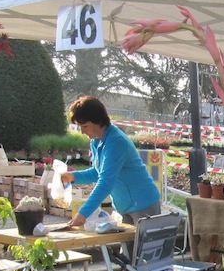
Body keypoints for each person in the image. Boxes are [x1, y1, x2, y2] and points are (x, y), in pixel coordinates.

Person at [60, 96, 161, 228]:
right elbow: (99, 172)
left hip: (143, 205)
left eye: (85, 126)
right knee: (126, 248)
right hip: (126, 207)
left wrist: (83, 213)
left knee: (143, 248)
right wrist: (73, 177)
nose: (82, 131)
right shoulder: (96, 141)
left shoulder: (116, 141)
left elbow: (106, 182)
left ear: (97, 121)